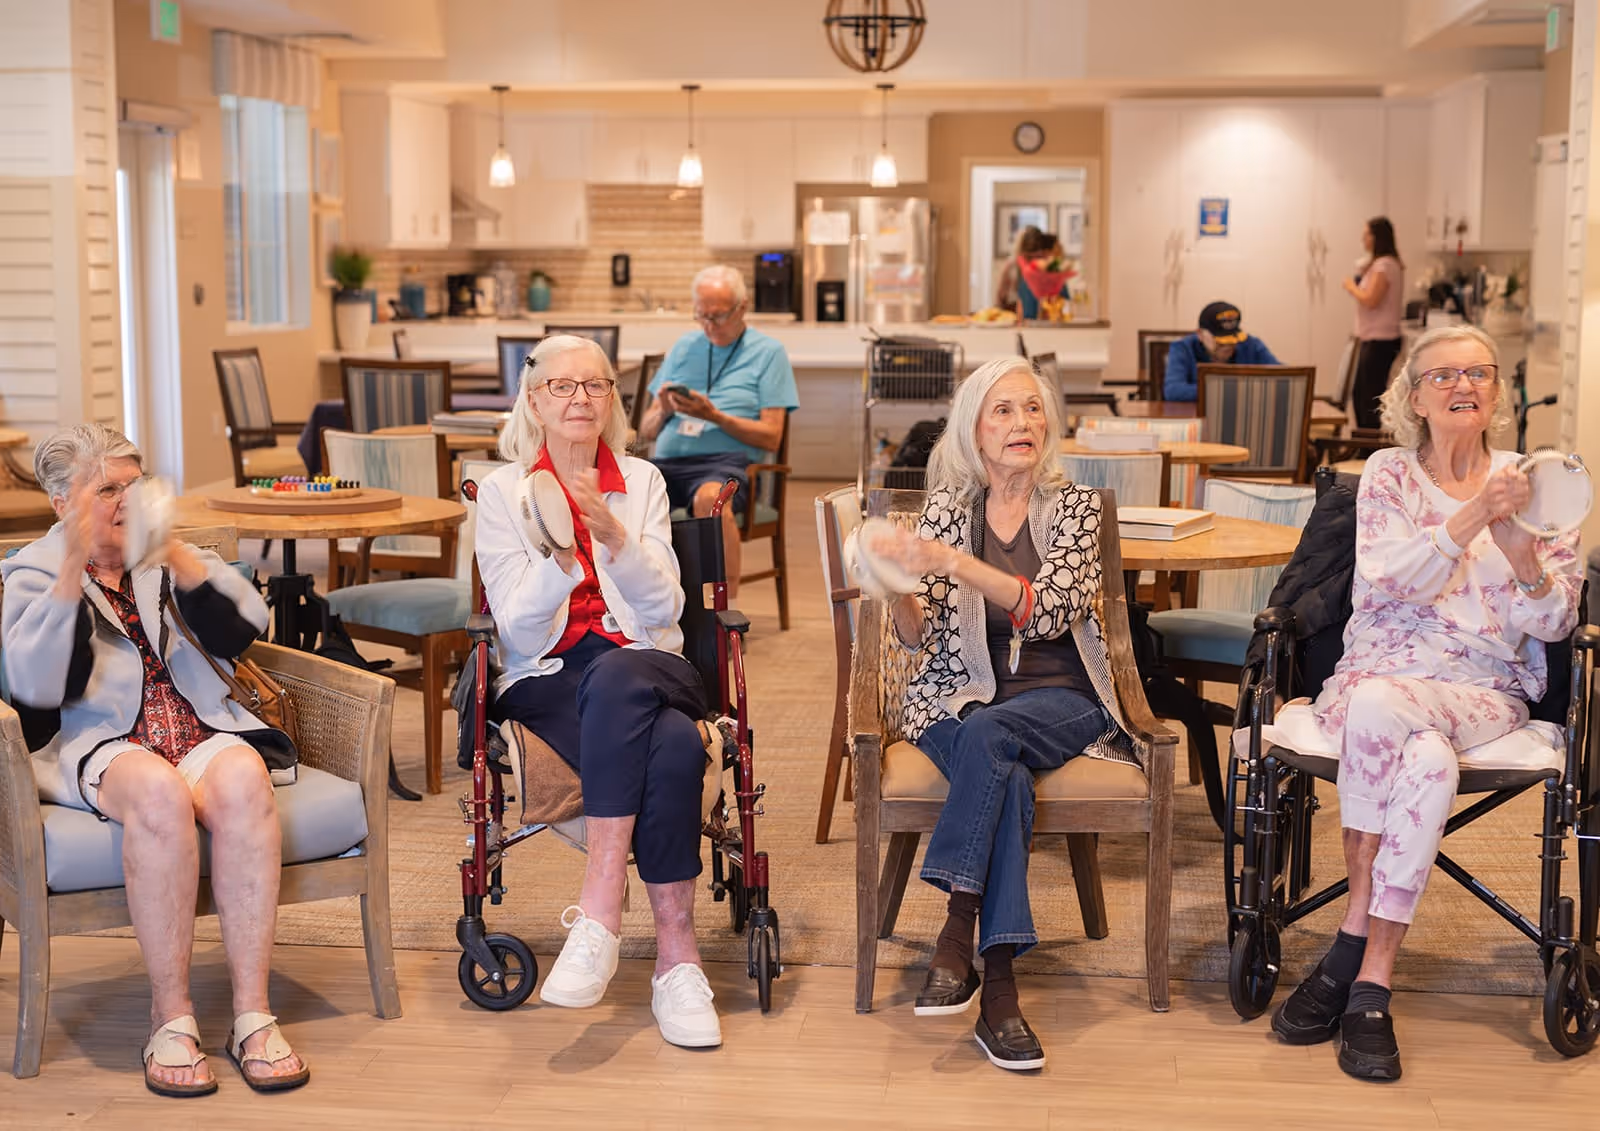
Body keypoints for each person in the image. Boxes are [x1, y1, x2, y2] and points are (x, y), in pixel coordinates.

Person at [1268, 325, 1580, 1081]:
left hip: (1484, 689)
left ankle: (1349, 935)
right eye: (1442, 375)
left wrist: (1521, 552)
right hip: (1380, 672)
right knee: (1424, 755)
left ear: (1498, 391)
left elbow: (1557, 621)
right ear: (1413, 397)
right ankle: (1373, 977)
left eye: (1478, 371)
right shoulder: (1386, 475)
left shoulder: (1545, 481)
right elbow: (1389, 577)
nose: (1462, 384)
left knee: (1385, 709)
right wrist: (1473, 516)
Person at [0, 424, 308, 1098]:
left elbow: (247, 623)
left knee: (245, 778)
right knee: (161, 794)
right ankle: (171, 1017)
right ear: (62, 501)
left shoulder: (166, 555)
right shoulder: (30, 571)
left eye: (133, 486)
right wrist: (73, 568)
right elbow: (37, 686)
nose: (124, 500)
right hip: (103, 742)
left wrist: (172, 552)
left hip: (196, 727)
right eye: (106, 488)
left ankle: (252, 1014)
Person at [860, 357, 1145, 1072]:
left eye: (1032, 409)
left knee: (995, 735)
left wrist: (954, 561)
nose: (1022, 423)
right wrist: (895, 586)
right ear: (974, 431)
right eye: (1003, 411)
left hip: (1064, 698)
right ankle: (1000, 994)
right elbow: (918, 637)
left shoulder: (1076, 507)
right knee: (1004, 774)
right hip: (953, 697)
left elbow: (1048, 612)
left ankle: (955, 931)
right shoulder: (947, 508)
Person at [475, 334, 723, 1049]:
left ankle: (599, 911)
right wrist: (559, 554)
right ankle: (678, 960)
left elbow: (665, 611)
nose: (579, 398)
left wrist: (613, 536)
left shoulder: (640, 480)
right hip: (548, 674)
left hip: (645, 660)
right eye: (562, 386)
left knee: (620, 670)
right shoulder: (501, 492)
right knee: (675, 747)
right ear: (534, 398)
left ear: (612, 398)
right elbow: (518, 624)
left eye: (595, 385)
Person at [638, 265, 799, 597]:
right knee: (624, 492)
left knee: (711, 498)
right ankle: (641, 602)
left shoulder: (768, 353)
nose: (710, 326)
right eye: (702, 317)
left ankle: (720, 615)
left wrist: (715, 416)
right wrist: (666, 408)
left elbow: (772, 436)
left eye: (719, 316)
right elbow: (646, 430)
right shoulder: (684, 347)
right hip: (667, 463)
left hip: (725, 463)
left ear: (742, 307)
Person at [1343, 216, 1406, 429]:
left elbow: (1371, 299)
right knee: (1361, 393)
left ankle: (1367, 448)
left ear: (1377, 237)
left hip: (1381, 340)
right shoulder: (1380, 264)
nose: (1363, 239)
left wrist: (1351, 287)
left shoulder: (1385, 265)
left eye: (1367, 234)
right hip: (1374, 338)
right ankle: (1363, 444)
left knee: (1367, 397)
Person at [1163, 301, 1281, 402]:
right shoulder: (1182, 348)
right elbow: (1173, 391)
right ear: (1200, 334)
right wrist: (1235, 390)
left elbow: (1283, 378)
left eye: (1232, 338)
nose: (1228, 344)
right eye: (1220, 339)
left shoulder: (1251, 345)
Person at [994, 225, 1048, 314]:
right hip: (1013, 317)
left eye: (1037, 257)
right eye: (1029, 257)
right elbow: (1000, 299)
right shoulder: (1012, 267)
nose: (1033, 261)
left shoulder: (1047, 268)